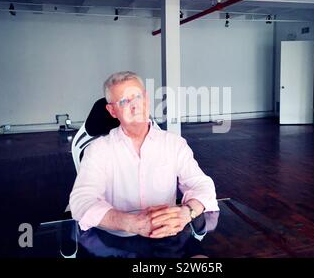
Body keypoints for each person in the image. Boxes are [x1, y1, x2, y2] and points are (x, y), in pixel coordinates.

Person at [69, 71, 219, 239]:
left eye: (138, 97)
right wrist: (129, 222)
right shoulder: (98, 150)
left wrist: (186, 212)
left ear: (147, 100)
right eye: (125, 101)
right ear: (112, 111)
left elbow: (203, 186)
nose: (135, 106)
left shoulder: (174, 144)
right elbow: (80, 202)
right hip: (116, 239)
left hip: (167, 234)